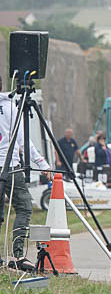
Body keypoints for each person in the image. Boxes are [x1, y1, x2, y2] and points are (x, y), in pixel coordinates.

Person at [0, 88, 51, 267]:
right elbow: (23, 141)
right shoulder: (11, 107)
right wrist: (42, 164)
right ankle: (18, 256)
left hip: (8, 164)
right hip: (10, 166)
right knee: (24, 207)